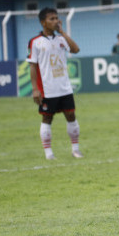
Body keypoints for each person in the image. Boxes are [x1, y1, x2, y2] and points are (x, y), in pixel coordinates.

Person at [27, 8, 83, 160]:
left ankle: (76, 150)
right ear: (43, 22)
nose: (55, 21)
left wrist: (63, 32)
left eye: (57, 18)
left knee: (71, 115)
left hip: (64, 87)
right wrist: (35, 89)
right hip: (47, 89)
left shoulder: (61, 39)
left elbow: (76, 49)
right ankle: (49, 153)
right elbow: (32, 66)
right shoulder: (35, 42)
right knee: (47, 118)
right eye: (51, 19)